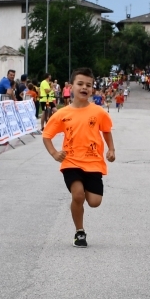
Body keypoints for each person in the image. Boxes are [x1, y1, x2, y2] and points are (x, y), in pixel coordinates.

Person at [42, 68, 116, 248]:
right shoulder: (62, 113)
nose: (84, 88)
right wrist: (54, 153)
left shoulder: (99, 112)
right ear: (71, 86)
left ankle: (81, 215)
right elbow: (47, 135)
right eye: (80, 84)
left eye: (88, 85)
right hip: (71, 161)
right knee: (78, 195)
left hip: (93, 162)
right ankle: (79, 232)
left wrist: (111, 149)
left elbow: (106, 131)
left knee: (94, 202)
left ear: (92, 89)